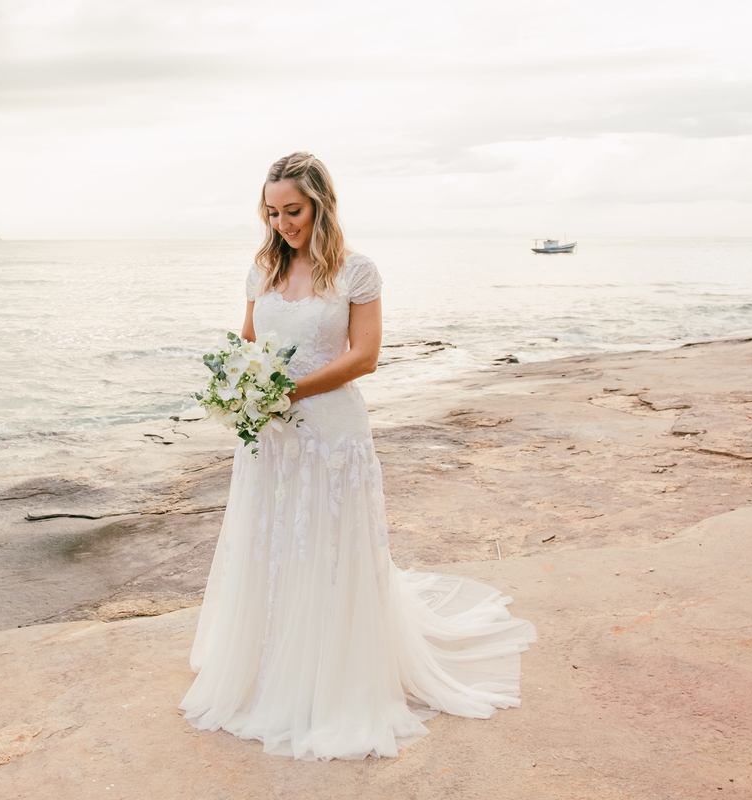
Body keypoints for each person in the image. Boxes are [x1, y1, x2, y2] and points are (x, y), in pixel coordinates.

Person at [179, 152, 537, 761]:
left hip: (330, 433)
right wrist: (241, 388)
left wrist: (287, 391)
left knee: (326, 546)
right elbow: (248, 343)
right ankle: (269, 665)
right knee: (273, 541)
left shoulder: (356, 271)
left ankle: (331, 677)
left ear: (321, 204)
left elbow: (364, 356)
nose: (282, 223)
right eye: (272, 212)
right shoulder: (262, 269)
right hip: (271, 435)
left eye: (293, 210)